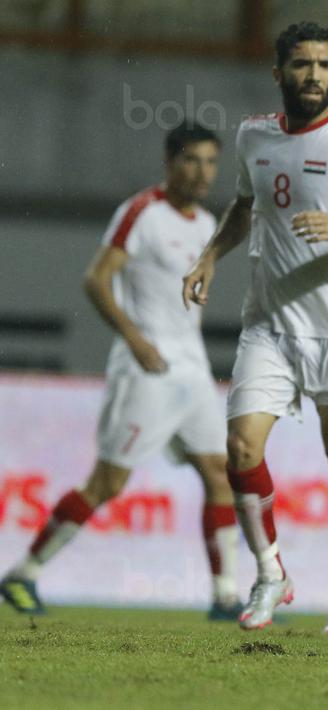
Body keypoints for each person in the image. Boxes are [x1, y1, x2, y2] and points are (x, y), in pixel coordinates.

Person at [181, 21, 328, 634]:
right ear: (279, 72)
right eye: (303, 64)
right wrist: (209, 255)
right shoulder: (253, 135)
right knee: (240, 448)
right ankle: (269, 573)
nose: (314, 75)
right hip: (270, 326)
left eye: (325, 65)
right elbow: (245, 205)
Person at [1, 123, 240, 620]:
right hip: (145, 370)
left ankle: (226, 596)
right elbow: (96, 280)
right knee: (107, 484)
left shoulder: (205, 223)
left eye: (210, 162)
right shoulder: (141, 212)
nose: (202, 172)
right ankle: (23, 572)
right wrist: (134, 337)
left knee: (220, 474)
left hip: (192, 369)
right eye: (192, 160)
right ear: (169, 162)